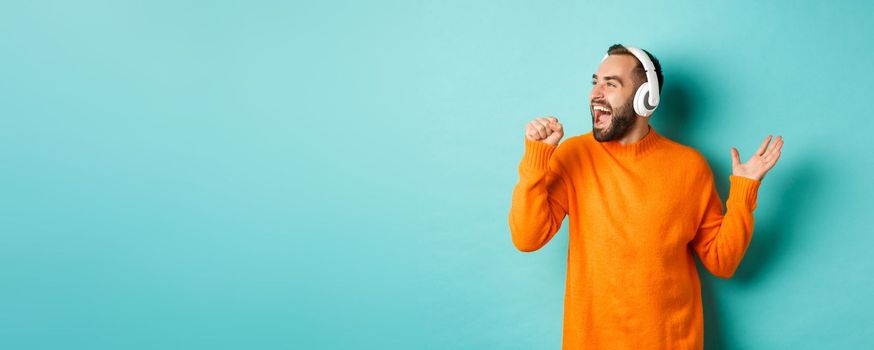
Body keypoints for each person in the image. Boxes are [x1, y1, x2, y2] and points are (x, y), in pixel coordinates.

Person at [508, 44, 783, 349]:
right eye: (595, 82)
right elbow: (527, 237)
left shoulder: (690, 167)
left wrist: (744, 191)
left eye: (610, 84)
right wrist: (537, 157)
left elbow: (722, 261)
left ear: (645, 98)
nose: (595, 93)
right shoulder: (574, 155)